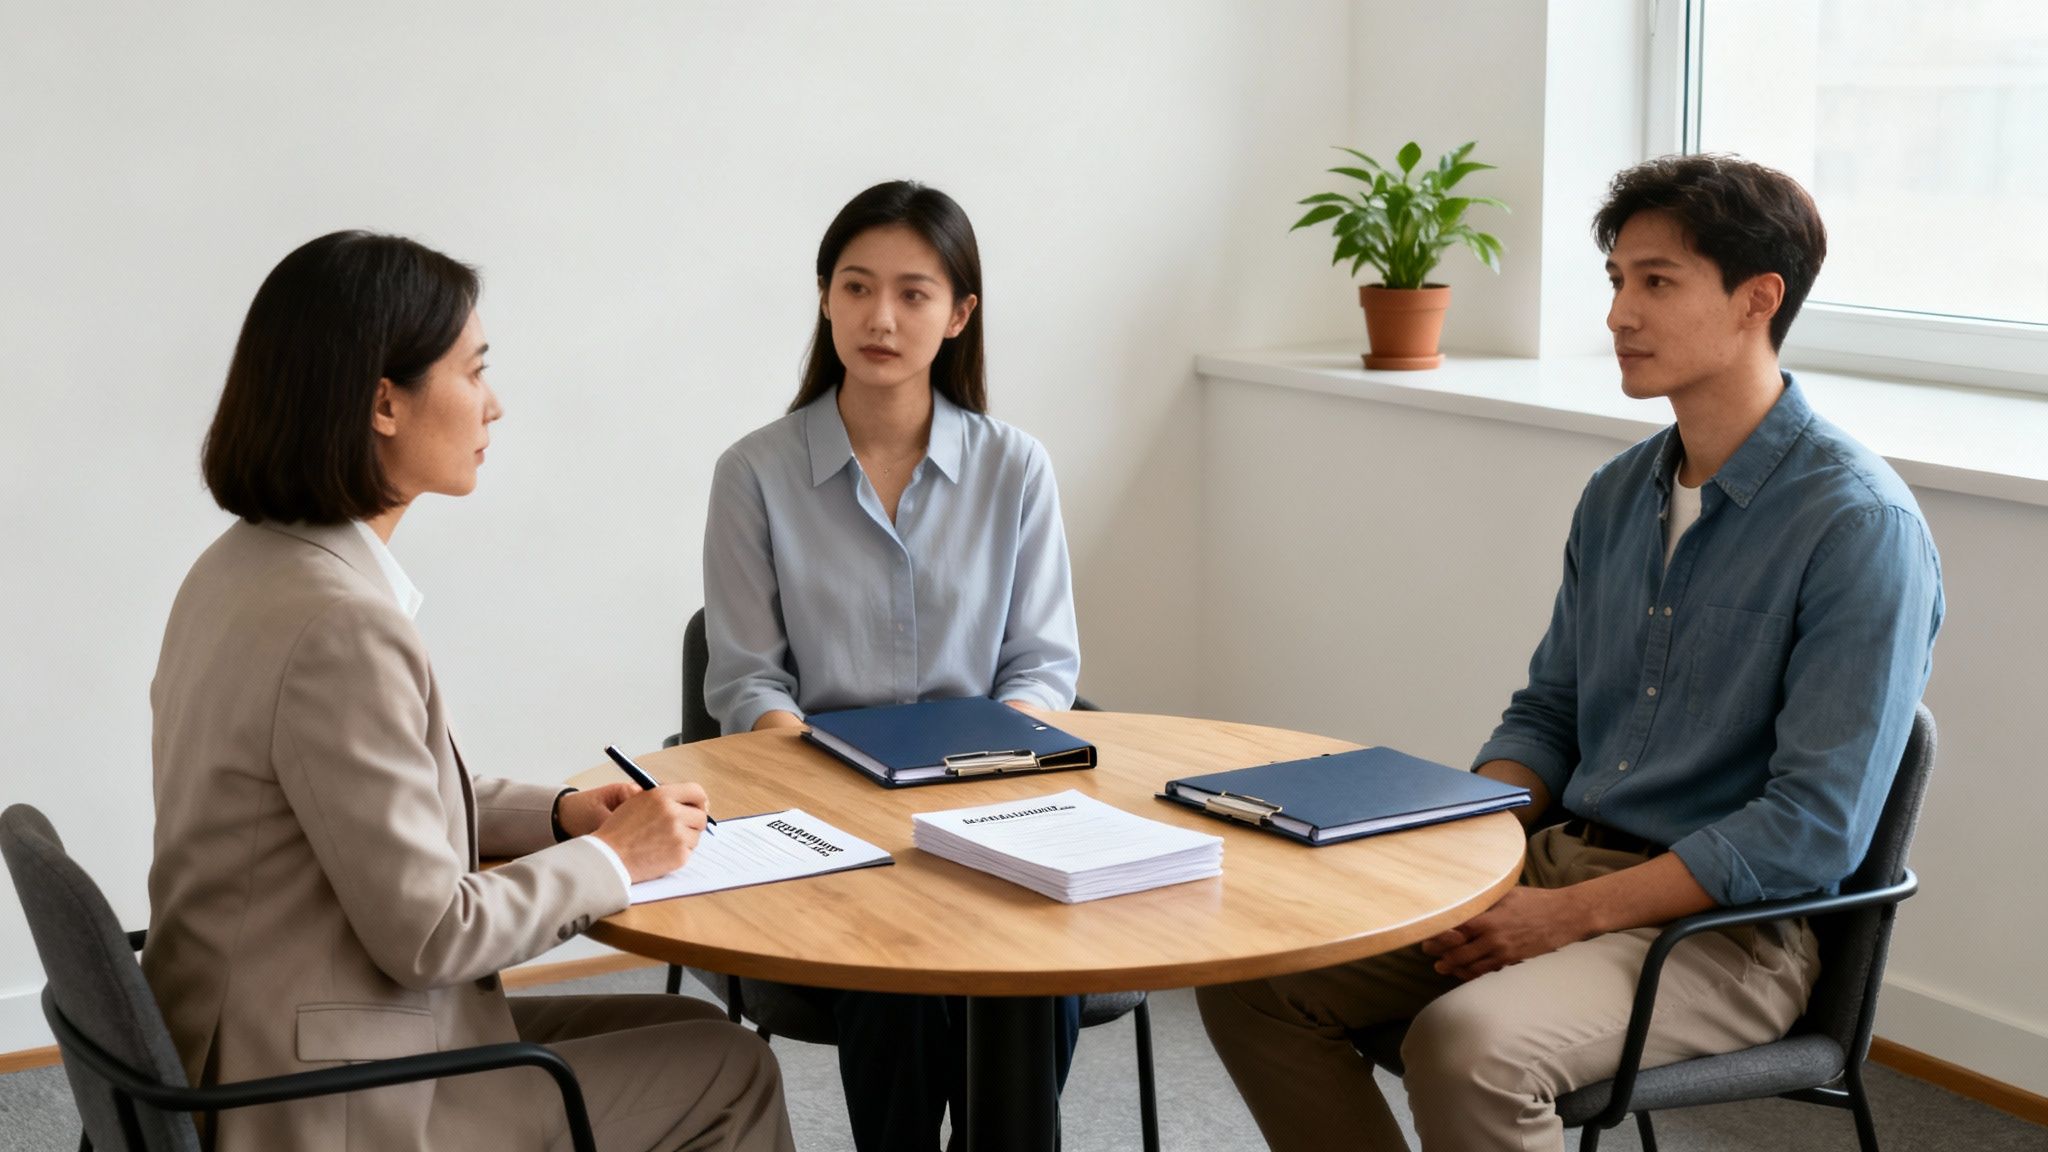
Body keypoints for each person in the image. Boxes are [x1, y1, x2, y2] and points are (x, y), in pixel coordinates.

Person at [1196, 154, 1945, 1151]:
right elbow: (1548, 714)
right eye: (1615, 282)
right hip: (1555, 866)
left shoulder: (1855, 526)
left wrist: (1570, 916)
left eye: (1655, 282)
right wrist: (1459, 847)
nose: (1616, 316)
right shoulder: (1617, 494)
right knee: (1260, 978)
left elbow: (1809, 829)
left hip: (1728, 935)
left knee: (1467, 1047)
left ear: (1755, 300)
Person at [143, 231, 795, 1152]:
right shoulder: (341, 626)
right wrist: (620, 861)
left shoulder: (242, 566)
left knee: (699, 1038)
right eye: (474, 370)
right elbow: (432, 935)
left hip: (249, 1038)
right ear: (383, 403)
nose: (495, 405)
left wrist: (566, 814)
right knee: (732, 1073)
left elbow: (375, 801)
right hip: (330, 1092)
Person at [702, 181, 1082, 1151]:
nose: (880, 317)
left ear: (958, 315)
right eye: (856, 287)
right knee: (897, 968)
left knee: (1043, 965)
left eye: (913, 294)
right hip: (826, 817)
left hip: (995, 799)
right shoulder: (753, 472)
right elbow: (747, 682)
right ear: (824, 298)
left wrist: (990, 769)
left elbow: (1041, 665)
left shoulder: (1015, 467)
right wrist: (843, 793)